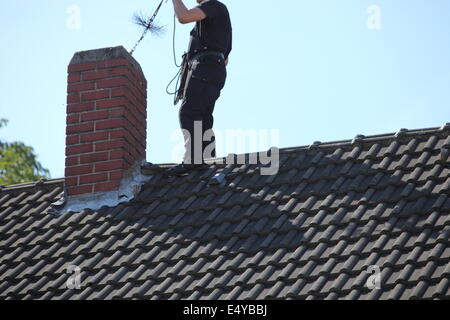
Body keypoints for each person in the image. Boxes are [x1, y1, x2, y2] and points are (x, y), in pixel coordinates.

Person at [167, 0, 232, 176]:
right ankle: (207, 160)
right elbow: (225, 58)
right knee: (203, 115)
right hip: (214, 69)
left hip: (205, 67)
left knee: (189, 112)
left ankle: (193, 160)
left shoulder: (214, 6)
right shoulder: (219, 19)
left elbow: (183, 16)